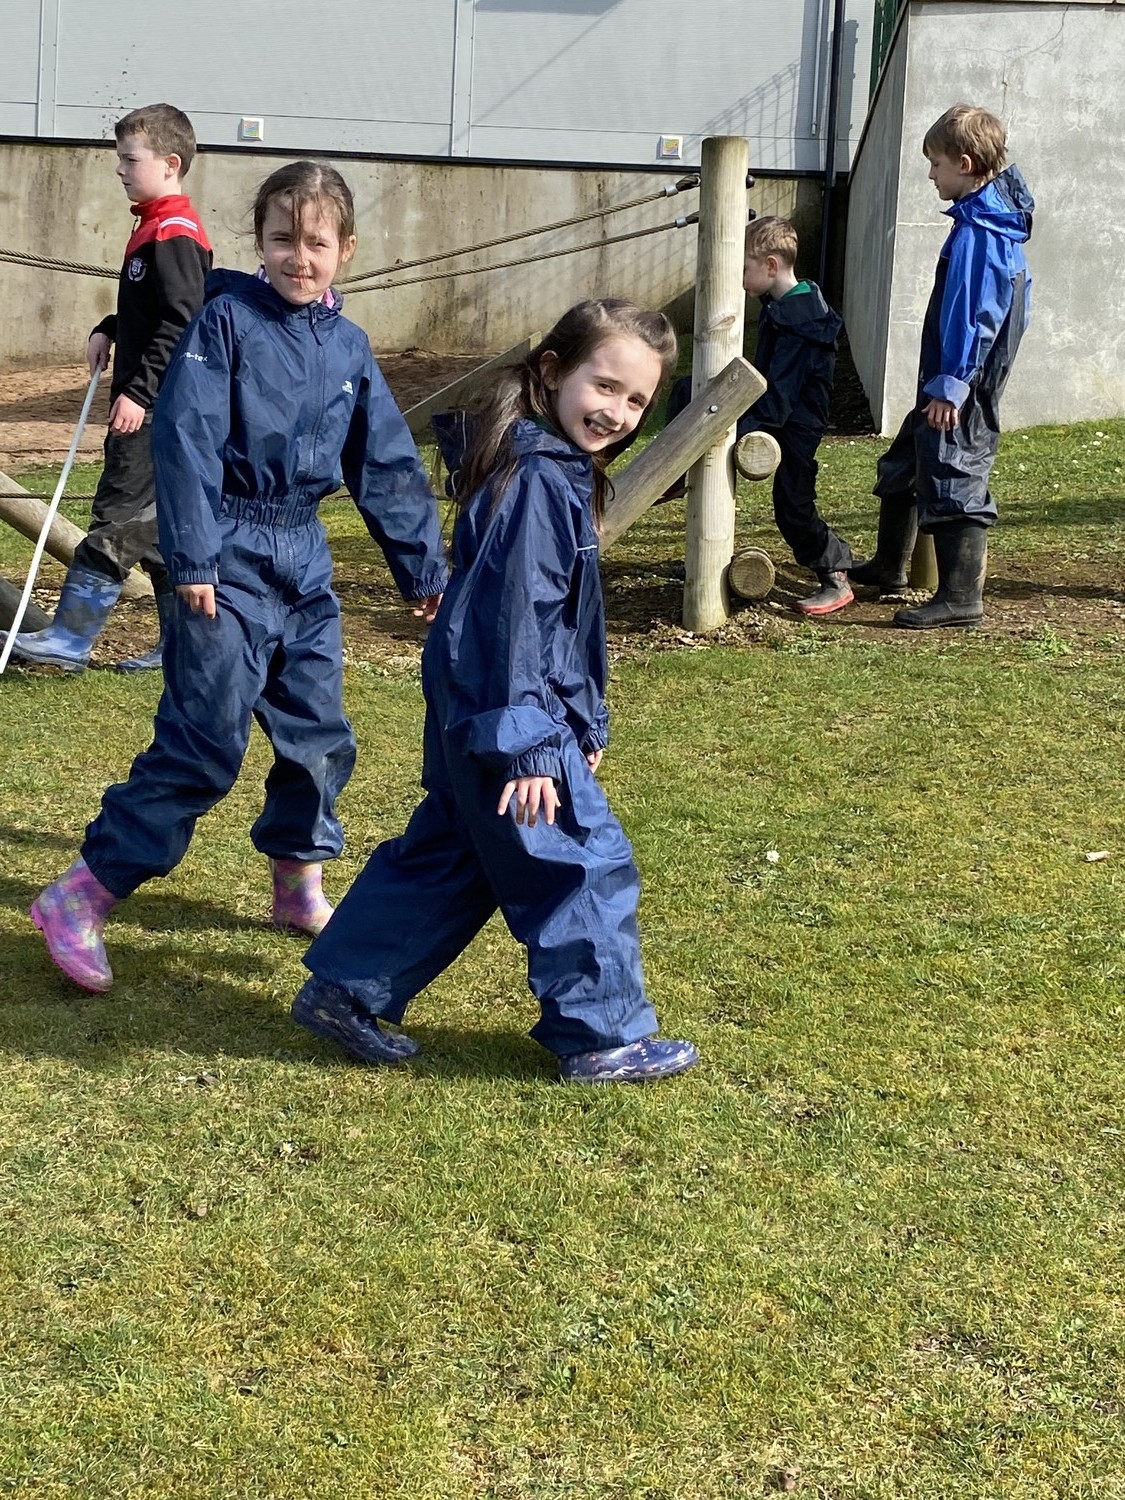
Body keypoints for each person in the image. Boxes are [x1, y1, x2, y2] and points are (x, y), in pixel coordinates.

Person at [29, 160, 448, 994]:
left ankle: (297, 883)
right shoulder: (225, 322)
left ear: (346, 250)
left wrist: (422, 568)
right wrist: (193, 559)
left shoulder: (349, 346)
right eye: (282, 239)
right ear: (259, 242)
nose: (299, 257)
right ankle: (82, 893)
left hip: (304, 561)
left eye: (316, 242)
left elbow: (386, 463)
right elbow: (184, 440)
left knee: (318, 734)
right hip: (224, 559)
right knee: (205, 743)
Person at [291, 299, 700, 1085]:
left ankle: (345, 988)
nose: (616, 412)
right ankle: (600, 1035)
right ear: (552, 371)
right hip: (507, 717)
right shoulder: (537, 482)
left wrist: (582, 721)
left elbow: (555, 623)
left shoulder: (549, 469)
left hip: (488, 713)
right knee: (577, 861)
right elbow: (510, 622)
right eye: (603, 386)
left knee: (454, 855)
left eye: (636, 400)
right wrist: (531, 746)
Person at [2, 103, 212, 673]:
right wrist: (111, 327)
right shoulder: (153, 224)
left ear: (170, 163)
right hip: (157, 402)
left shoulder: (173, 232)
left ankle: (70, 639)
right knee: (161, 534)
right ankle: (183, 645)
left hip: (156, 407)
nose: (119, 169)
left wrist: (140, 392)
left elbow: (183, 319)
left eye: (129, 159)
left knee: (117, 513)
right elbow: (153, 311)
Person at [849, 103, 1034, 628]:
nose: (931, 174)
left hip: (961, 383)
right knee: (906, 462)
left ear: (965, 164)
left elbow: (976, 315)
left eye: (935, 164)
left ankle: (960, 597)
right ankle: (890, 566)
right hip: (947, 378)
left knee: (955, 469)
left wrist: (952, 385)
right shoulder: (982, 220)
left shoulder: (983, 233)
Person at [664, 216, 853, 617]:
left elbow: (780, 399)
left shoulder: (803, 322)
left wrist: (729, 431)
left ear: (770, 265)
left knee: (793, 506)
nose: (739, 280)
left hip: (794, 424)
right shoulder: (783, 305)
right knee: (686, 391)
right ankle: (677, 475)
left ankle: (834, 571)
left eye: (743, 270)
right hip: (773, 406)